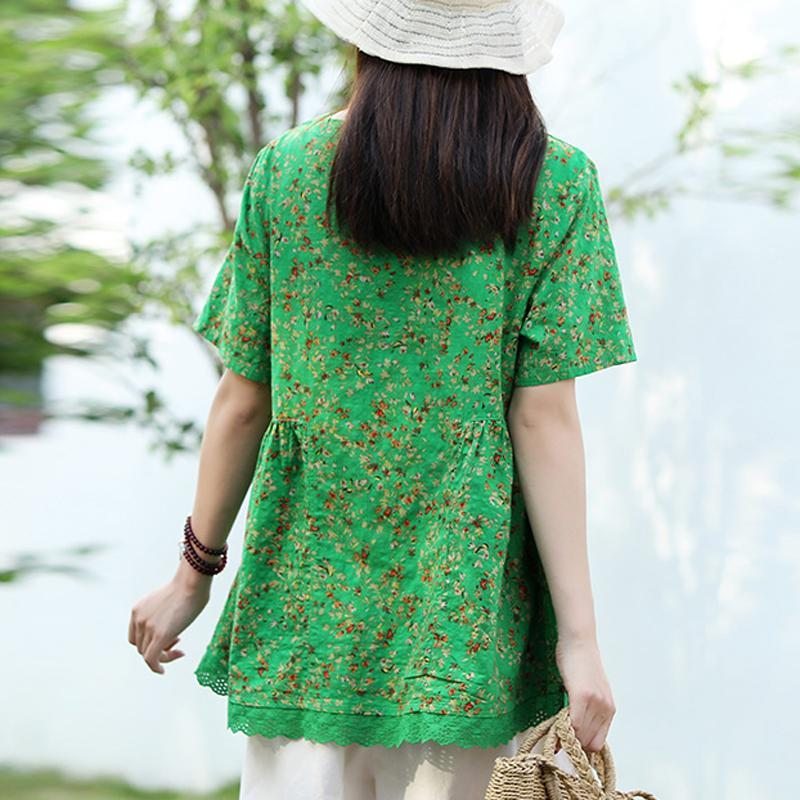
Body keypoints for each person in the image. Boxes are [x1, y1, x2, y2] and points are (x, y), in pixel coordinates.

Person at [128, 0, 638, 797]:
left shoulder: (287, 172)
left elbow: (241, 402)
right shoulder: (553, 183)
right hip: (462, 628)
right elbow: (542, 417)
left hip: (303, 620)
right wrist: (579, 641)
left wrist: (192, 575)